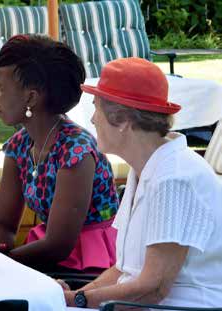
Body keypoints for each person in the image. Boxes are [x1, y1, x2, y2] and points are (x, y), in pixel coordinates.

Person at [60, 57, 222, 308]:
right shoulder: (147, 168)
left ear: (123, 120)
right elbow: (125, 271)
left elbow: (154, 288)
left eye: (97, 108)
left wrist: (76, 301)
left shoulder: (174, 178)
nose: (92, 120)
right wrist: (76, 297)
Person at [0, 35, 119, 273]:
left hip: (91, 263)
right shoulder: (19, 146)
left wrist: (0, 265)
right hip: (44, 254)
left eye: (1, 87)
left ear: (31, 97)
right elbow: (2, 223)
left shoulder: (76, 152)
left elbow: (59, 245)